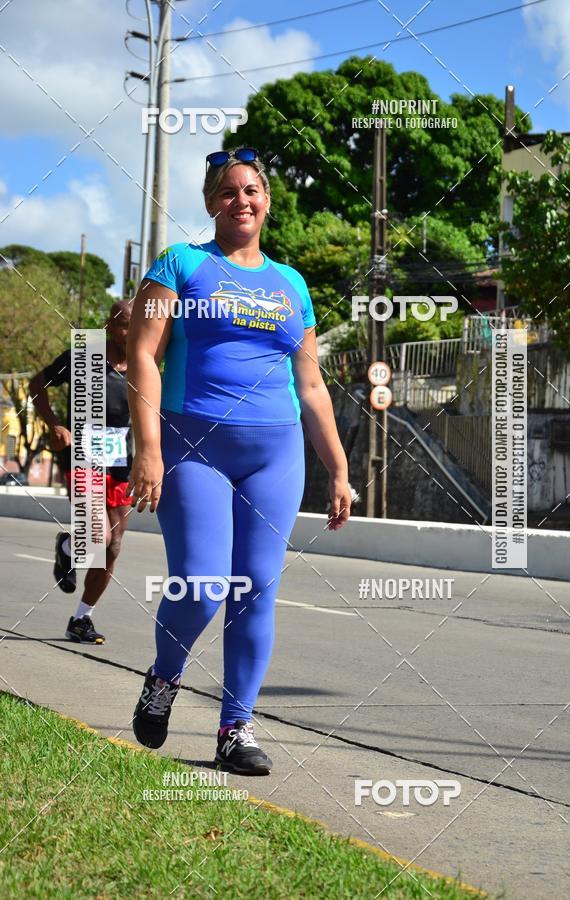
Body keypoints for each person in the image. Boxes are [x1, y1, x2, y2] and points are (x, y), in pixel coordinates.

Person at [127, 147, 351, 775]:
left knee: (255, 593)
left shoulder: (292, 284)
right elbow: (143, 355)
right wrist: (147, 447)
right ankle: (164, 679)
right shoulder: (179, 264)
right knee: (201, 585)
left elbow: (310, 385)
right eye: (228, 191)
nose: (242, 200)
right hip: (191, 446)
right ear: (210, 203)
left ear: (267, 201)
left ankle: (235, 729)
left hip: (274, 454)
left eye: (252, 190)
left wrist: (338, 468)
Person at [29, 300, 133, 644]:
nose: (130, 334)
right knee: (98, 537)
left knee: (113, 546)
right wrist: (56, 425)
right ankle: (71, 547)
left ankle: (81, 618)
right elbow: (37, 384)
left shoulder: (144, 359)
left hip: (120, 460)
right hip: (83, 454)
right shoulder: (86, 353)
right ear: (108, 325)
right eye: (124, 327)